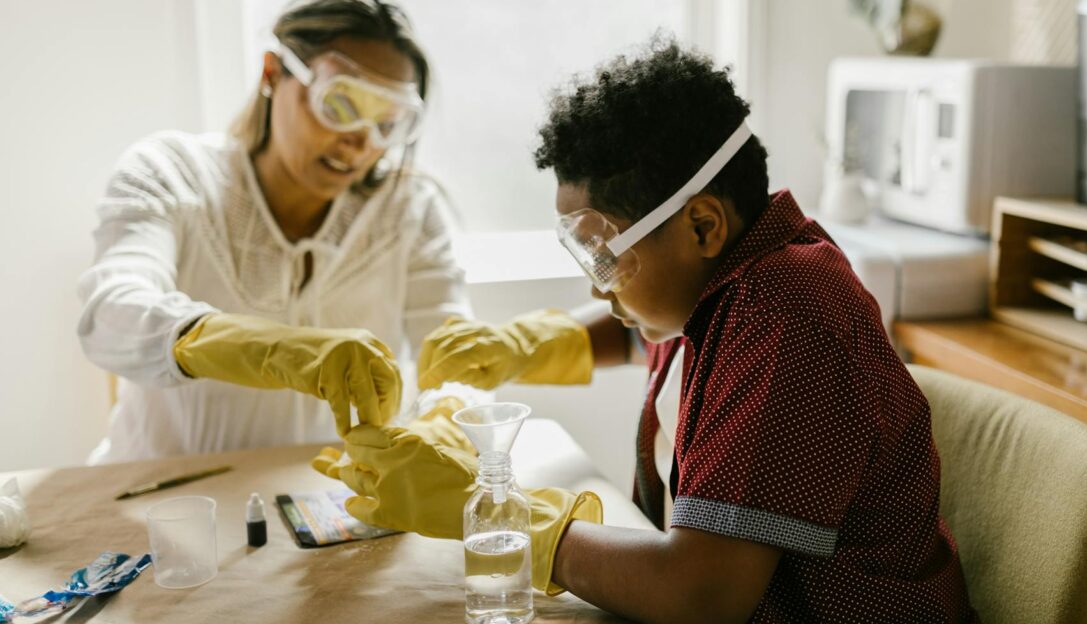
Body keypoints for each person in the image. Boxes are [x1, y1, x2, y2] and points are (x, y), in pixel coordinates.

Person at [315, 38, 977, 622]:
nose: (597, 284)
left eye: (605, 254)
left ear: (702, 226)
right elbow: (658, 329)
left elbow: (699, 595)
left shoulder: (785, 320)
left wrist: (503, 516)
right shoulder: (737, 281)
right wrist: (528, 345)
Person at [76, 0, 469, 464]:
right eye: (340, 104)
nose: (362, 141)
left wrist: (446, 423)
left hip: (325, 502)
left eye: (387, 123)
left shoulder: (410, 208)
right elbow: (109, 314)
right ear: (272, 73)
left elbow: (452, 359)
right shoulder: (170, 172)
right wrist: (269, 349)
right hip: (156, 492)